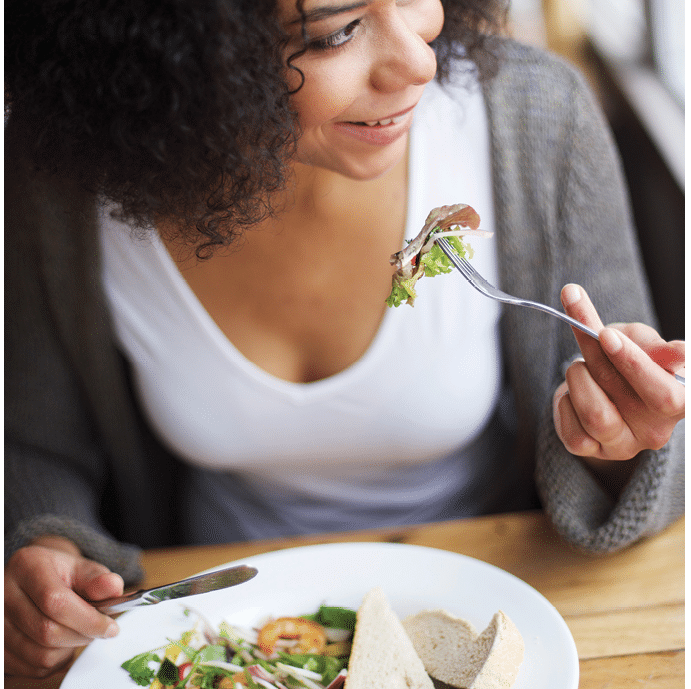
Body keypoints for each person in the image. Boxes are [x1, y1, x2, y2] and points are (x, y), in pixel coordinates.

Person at [4, 0, 684, 678]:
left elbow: (658, 477)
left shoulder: (537, 115)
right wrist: (48, 543)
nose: (419, 59)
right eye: (334, 33)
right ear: (178, 62)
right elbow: (31, 442)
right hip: (216, 625)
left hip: (499, 598)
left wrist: (616, 444)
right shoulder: (62, 183)